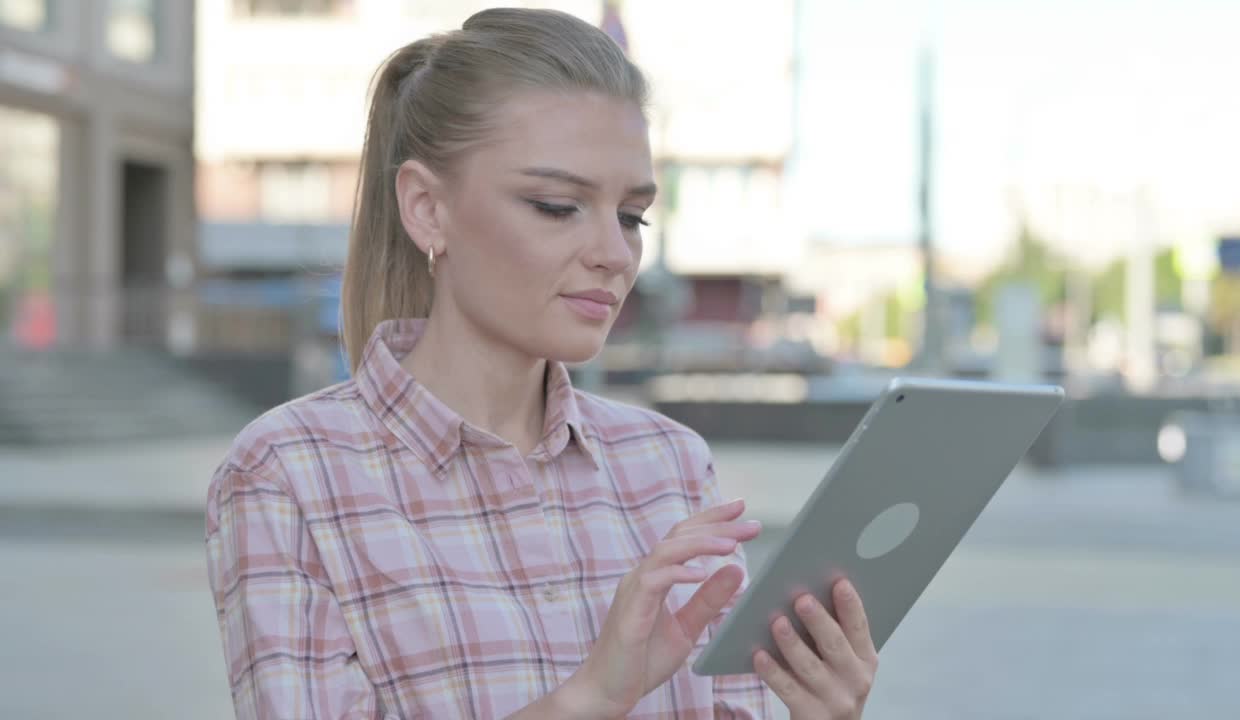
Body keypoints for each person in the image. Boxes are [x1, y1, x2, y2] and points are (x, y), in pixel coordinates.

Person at [204, 8, 877, 719]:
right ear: (428, 209)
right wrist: (591, 698)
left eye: (632, 216)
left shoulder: (671, 466)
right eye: (558, 206)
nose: (615, 255)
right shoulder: (288, 475)